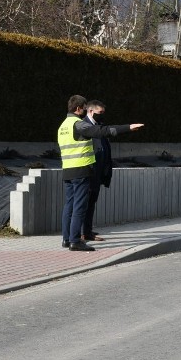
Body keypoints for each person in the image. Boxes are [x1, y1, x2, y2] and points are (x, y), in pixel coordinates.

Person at [58, 95, 143, 252]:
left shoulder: (63, 125)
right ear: (78, 109)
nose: (85, 111)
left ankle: (66, 239)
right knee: (79, 207)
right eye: (84, 108)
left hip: (68, 170)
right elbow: (101, 131)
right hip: (81, 169)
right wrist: (127, 127)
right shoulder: (78, 124)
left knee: (69, 205)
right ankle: (75, 241)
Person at [81, 100, 112, 242]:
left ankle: (87, 231)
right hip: (88, 170)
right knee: (84, 202)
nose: (102, 116)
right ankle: (82, 232)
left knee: (92, 201)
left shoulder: (99, 126)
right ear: (91, 111)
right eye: (100, 113)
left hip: (98, 171)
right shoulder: (84, 126)